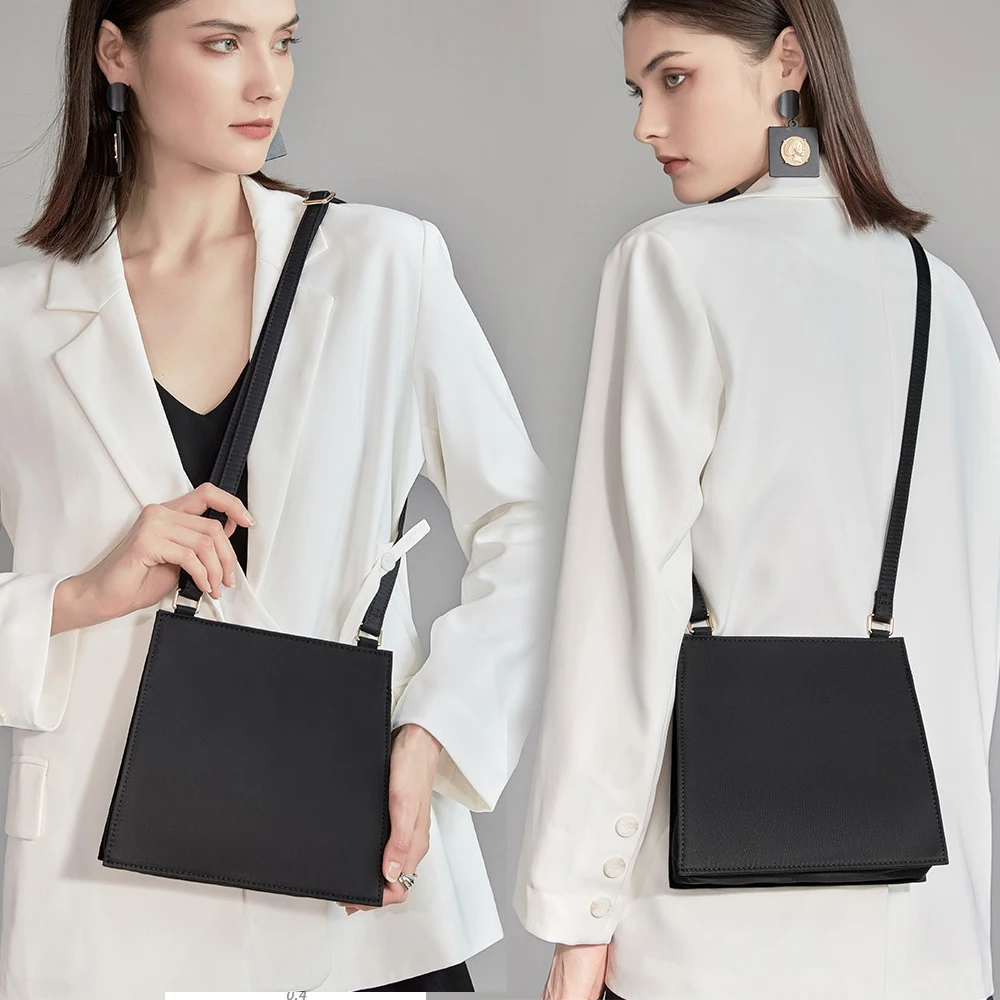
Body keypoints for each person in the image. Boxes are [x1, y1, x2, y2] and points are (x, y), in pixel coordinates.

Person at [0, 1, 549, 996]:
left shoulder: (385, 265)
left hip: (354, 892)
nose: (268, 81)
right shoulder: (17, 323)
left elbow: (530, 527)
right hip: (108, 912)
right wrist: (76, 597)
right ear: (116, 52)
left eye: (284, 40)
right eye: (222, 43)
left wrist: (435, 733)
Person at [512, 1, 998, 999]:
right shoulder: (941, 296)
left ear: (786, 61)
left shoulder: (669, 264)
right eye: (636, 90)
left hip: (711, 940)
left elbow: (619, 612)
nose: (646, 124)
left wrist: (577, 915)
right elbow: (972, 633)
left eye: (674, 77)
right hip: (926, 940)